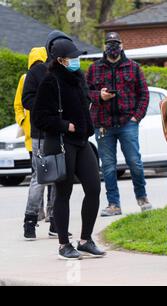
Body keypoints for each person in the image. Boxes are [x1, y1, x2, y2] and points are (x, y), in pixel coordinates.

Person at [32, 39, 105, 260]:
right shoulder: (50, 81)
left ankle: (85, 240)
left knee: (93, 188)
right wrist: (64, 125)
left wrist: (87, 127)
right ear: (61, 60)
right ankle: (64, 244)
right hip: (62, 142)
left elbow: (85, 104)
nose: (76, 60)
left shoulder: (78, 77)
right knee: (63, 193)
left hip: (82, 141)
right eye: (72, 57)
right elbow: (39, 117)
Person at [87, 32, 150, 217]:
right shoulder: (94, 69)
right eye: (109, 43)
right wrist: (99, 95)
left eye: (116, 43)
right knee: (107, 166)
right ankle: (113, 204)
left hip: (127, 123)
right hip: (103, 125)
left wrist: (136, 117)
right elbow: (85, 92)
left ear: (122, 46)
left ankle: (142, 197)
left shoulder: (133, 67)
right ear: (104, 46)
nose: (113, 47)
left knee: (135, 163)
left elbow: (144, 94)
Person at [22, 31, 75, 241]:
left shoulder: (65, 71)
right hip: (41, 133)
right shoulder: (37, 71)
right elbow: (27, 100)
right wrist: (47, 108)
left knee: (59, 176)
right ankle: (30, 221)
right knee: (40, 177)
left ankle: (55, 222)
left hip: (60, 131)